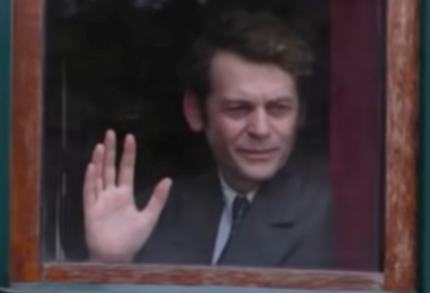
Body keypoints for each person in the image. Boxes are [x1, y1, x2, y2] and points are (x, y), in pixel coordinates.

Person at [80, 11, 334, 268]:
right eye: (238, 109)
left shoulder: (340, 214)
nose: (260, 129)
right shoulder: (156, 212)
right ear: (195, 112)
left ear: (301, 113)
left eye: (278, 109)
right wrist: (108, 262)